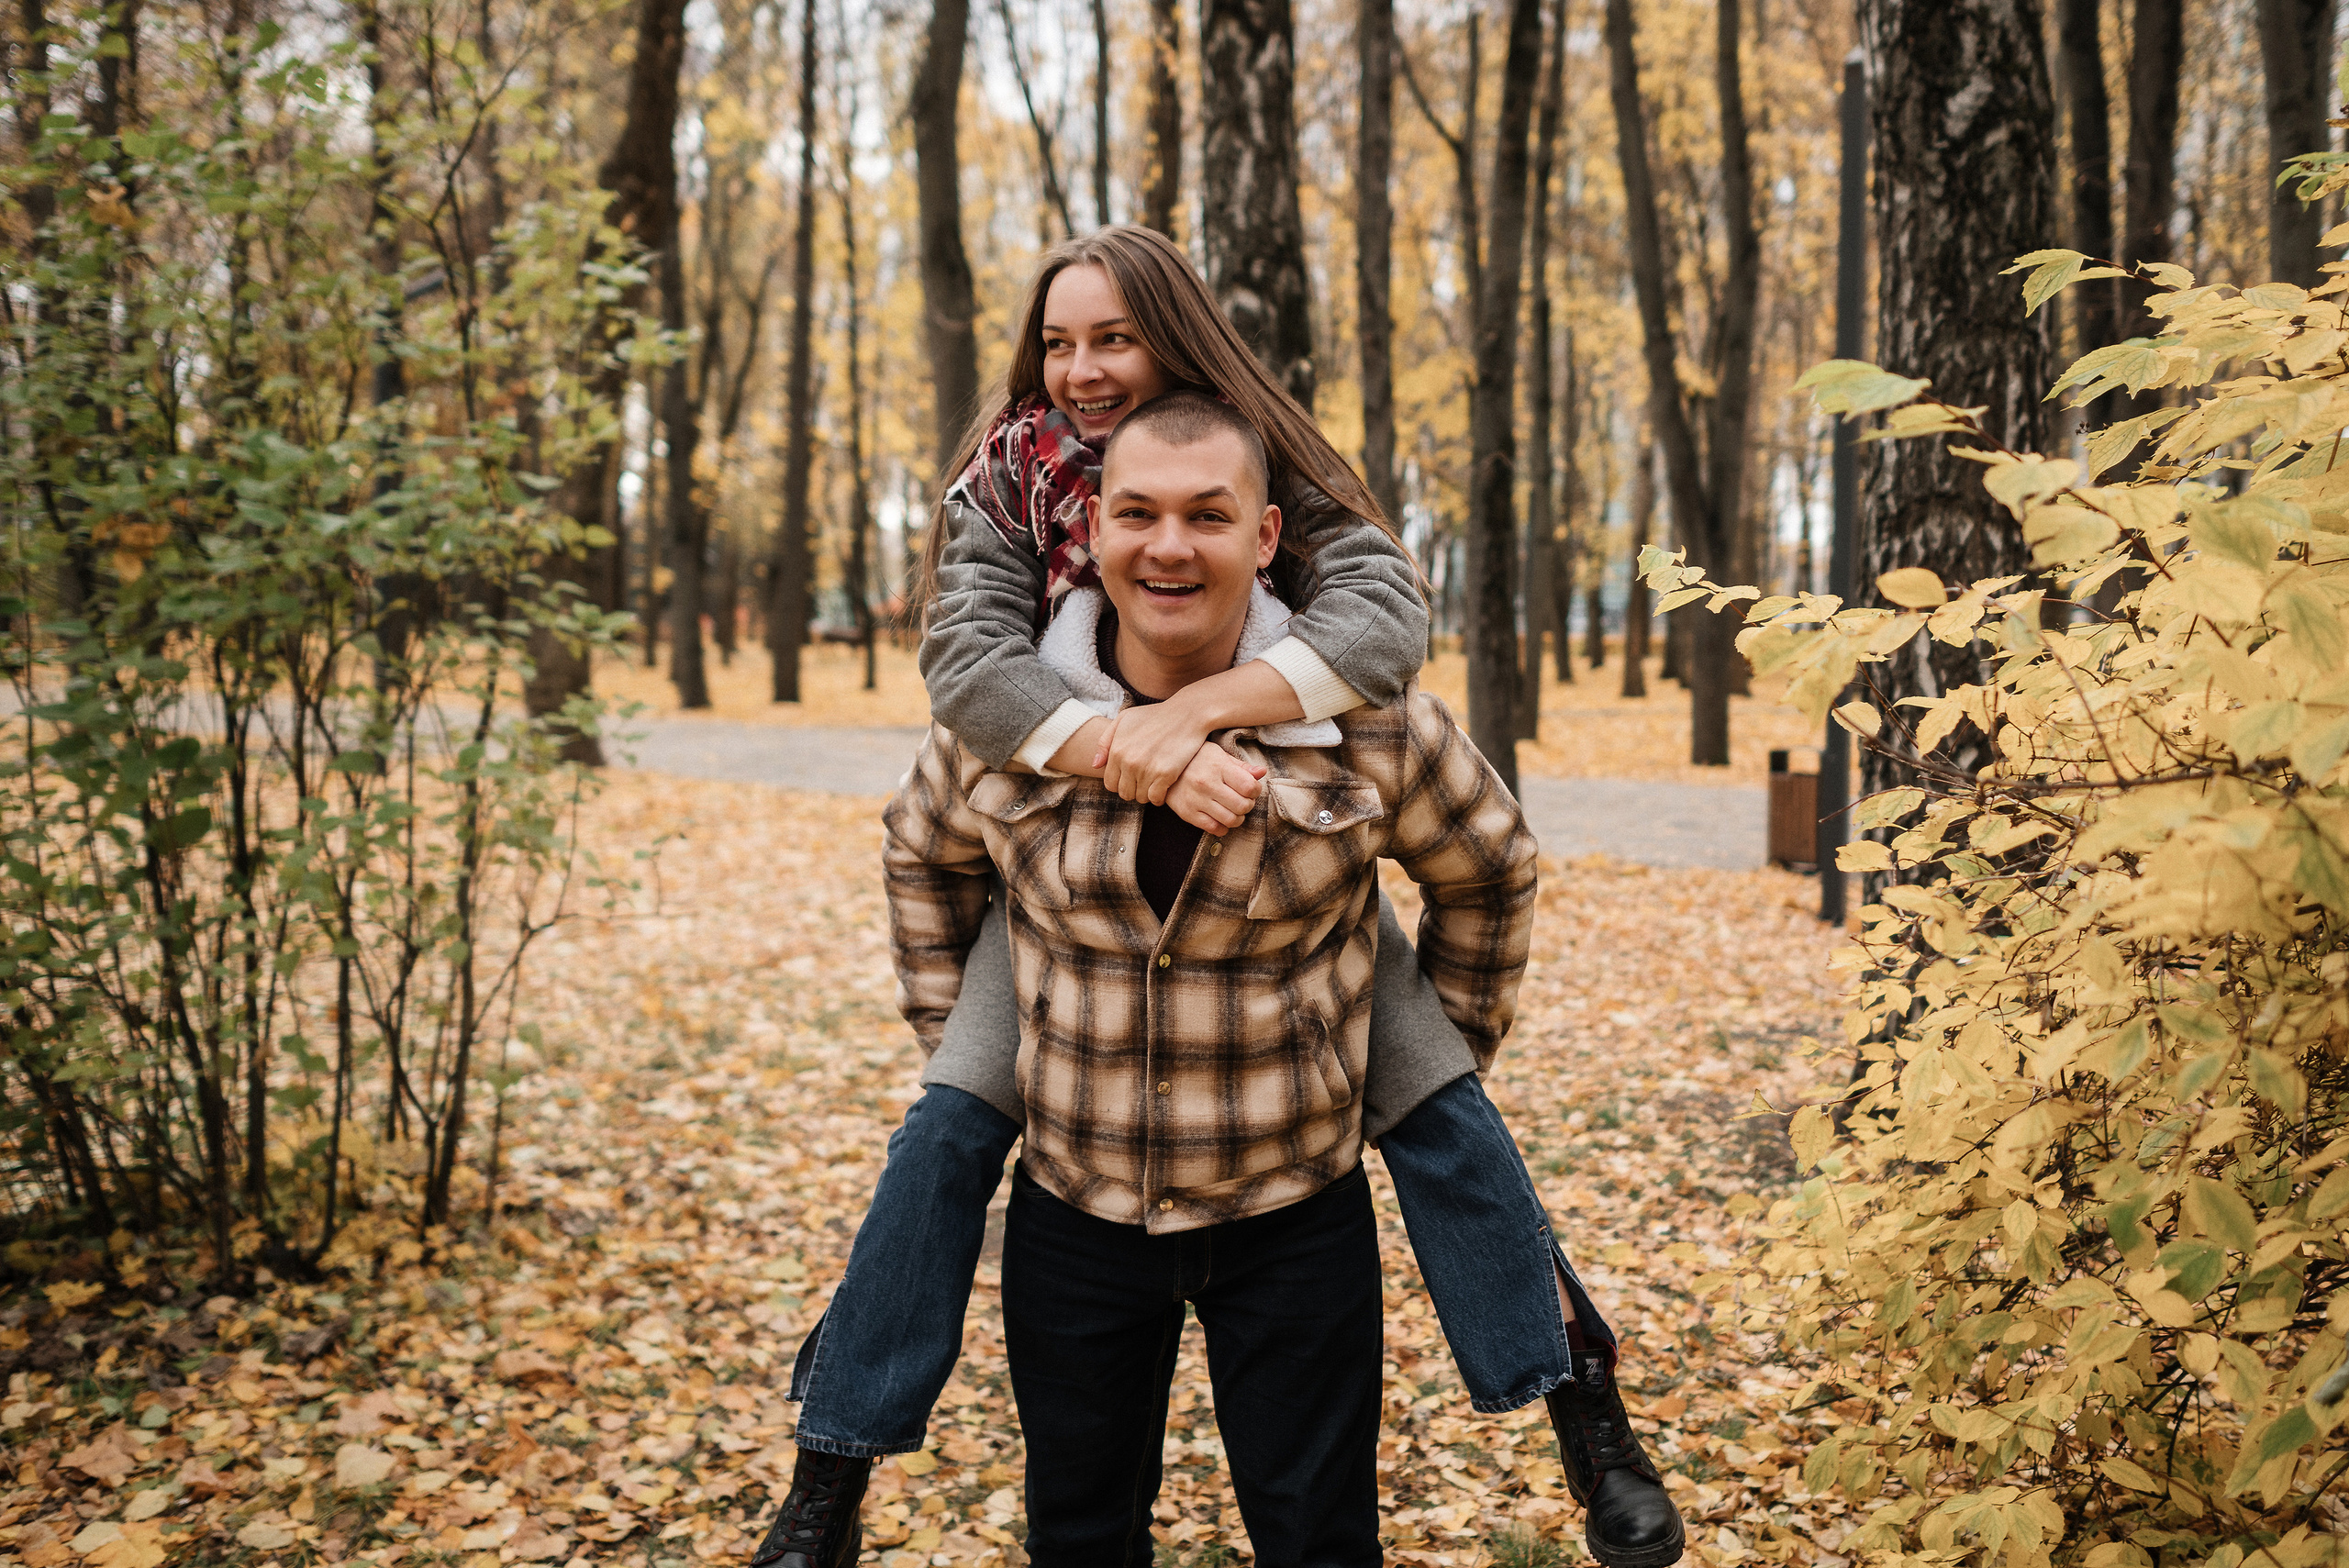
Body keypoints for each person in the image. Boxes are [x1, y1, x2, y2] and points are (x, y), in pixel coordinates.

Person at [749, 229, 1683, 1568]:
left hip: (1300, 894)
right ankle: (831, 1468)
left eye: (1113, 340)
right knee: (943, 1139)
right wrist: (1106, 754)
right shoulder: (1005, 480)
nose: (1082, 371)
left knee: (1449, 1119)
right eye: (1059, 342)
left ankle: (1579, 1405)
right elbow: (960, 676)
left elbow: (1385, 634)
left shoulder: (1280, 468)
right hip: (1054, 904)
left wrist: (1201, 717)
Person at [885, 394, 1538, 1566]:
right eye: (1136, 512)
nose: (1169, 546)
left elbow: (1488, 871)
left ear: (1267, 535)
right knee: (1080, 1533)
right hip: (1074, 1212)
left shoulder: (1375, 727)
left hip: (1293, 1215)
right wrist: (974, 1034)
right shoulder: (1012, 714)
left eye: (1207, 514)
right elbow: (921, 854)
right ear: (1091, 528)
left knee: (1317, 1536)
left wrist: (1435, 1049)